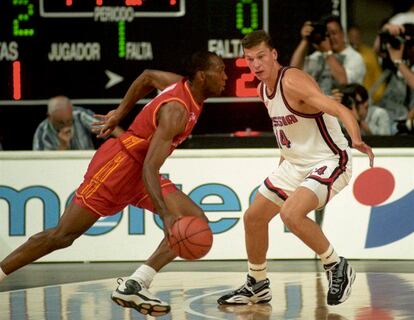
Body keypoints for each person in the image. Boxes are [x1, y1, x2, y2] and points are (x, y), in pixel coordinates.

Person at [0, 51, 228, 317]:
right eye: (221, 70)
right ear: (201, 76)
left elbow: (147, 76)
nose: (225, 77)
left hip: (141, 171)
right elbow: (150, 167)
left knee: (193, 219)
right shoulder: (176, 110)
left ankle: (135, 284)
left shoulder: (182, 88)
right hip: (119, 167)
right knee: (62, 236)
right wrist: (164, 214)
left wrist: (119, 113)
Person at [217, 30, 374, 307]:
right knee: (253, 218)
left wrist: (357, 139)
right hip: (295, 164)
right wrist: (283, 166)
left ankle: (337, 265)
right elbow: (287, 133)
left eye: (261, 57)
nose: (255, 65)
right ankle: (258, 284)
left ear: (274, 54)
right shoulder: (261, 89)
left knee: (291, 214)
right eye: (249, 59)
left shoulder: (292, 81)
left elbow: (339, 110)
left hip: (330, 159)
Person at [290, 15, 366, 95]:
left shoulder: (355, 57)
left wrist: (328, 52)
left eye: (334, 33)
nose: (331, 38)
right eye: (327, 34)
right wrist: (305, 40)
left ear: (343, 34)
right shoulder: (318, 56)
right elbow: (294, 71)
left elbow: (344, 81)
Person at [33, 95, 124, 150]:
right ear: (49, 117)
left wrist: (129, 142)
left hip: (87, 163)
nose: (66, 126)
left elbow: (111, 127)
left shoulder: (79, 115)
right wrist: (63, 146)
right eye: (61, 123)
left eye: (69, 121)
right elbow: (42, 166)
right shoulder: (42, 133)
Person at [347, 25, 385, 103]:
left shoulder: (370, 54)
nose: (354, 39)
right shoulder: (345, 54)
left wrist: (377, 96)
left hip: (368, 96)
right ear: (347, 37)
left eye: (357, 36)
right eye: (352, 36)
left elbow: (377, 74)